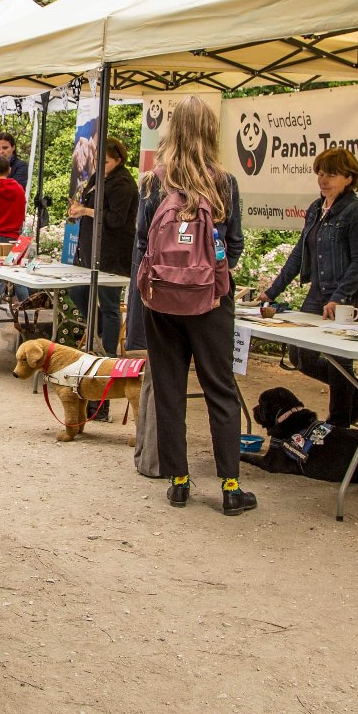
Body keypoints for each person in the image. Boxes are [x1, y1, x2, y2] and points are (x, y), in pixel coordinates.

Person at [136, 97, 253, 515]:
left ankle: (180, 482)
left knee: (169, 388)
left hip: (162, 301)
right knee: (220, 388)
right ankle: (230, 487)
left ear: (172, 129)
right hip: (211, 301)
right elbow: (235, 245)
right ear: (210, 130)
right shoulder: (224, 182)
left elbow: (140, 246)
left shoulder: (153, 182)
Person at [257, 147, 358, 425]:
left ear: (349, 178)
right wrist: (271, 292)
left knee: (338, 357)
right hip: (320, 290)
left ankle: (338, 421)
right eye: (320, 173)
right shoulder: (315, 208)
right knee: (300, 352)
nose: (323, 180)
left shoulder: (357, 212)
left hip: (349, 294)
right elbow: (299, 254)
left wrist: (339, 297)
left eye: (331, 174)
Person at [67, 137, 138, 354]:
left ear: (119, 159)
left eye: (105, 161)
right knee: (77, 291)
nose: (100, 165)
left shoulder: (124, 183)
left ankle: (109, 353)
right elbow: (90, 205)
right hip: (91, 249)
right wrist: (79, 207)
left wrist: (86, 211)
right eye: (97, 160)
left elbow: (116, 219)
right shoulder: (99, 177)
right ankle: (99, 329)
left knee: (109, 304)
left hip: (113, 254)